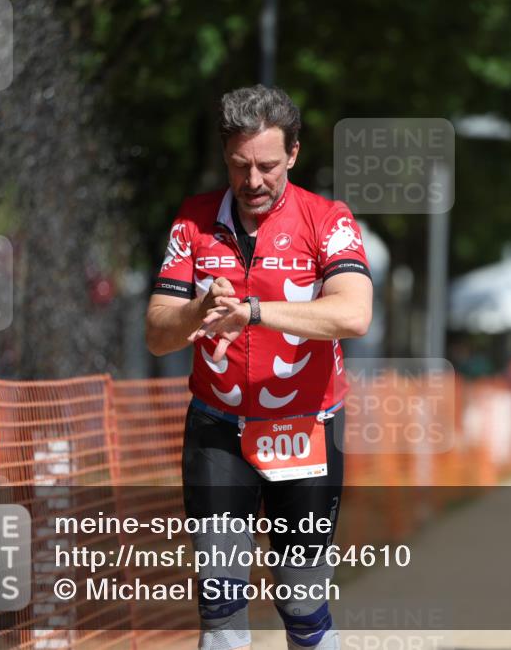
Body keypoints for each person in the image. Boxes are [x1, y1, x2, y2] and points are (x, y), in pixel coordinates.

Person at [145, 84, 373, 650]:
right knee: (220, 606)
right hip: (218, 428)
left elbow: (354, 314)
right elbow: (156, 333)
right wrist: (198, 309)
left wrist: (251, 312)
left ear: (293, 154)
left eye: (267, 166)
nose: (253, 181)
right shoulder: (194, 221)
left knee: (301, 605)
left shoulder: (327, 219)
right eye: (239, 165)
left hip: (306, 428)